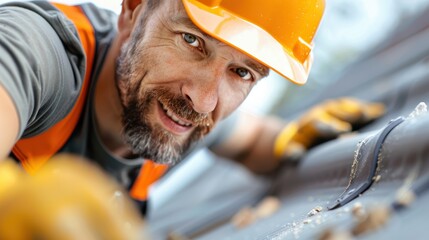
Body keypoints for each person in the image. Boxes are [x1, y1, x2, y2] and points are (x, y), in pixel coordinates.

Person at [0, 0, 384, 213]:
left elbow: (251, 142)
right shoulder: (37, 52)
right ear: (133, 11)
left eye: (243, 73)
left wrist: (287, 139)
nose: (203, 101)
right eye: (191, 41)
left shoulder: (175, 116)